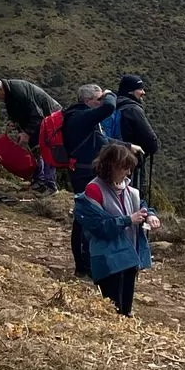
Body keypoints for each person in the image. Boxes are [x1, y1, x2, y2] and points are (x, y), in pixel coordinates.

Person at [74, 141, 159, 316]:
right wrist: (128, 220)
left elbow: (140, 205)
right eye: (124, 168)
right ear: (110, 166)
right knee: (113, 308)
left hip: (128, 256)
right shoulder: (94, 190)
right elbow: (99, 227)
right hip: (108, 259)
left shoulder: (129, 189)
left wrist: (150, 214)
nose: (128, 173)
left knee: (125, 309)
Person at [61, 83, 120, 277]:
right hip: (84, 173)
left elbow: (100, 140)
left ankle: (87, 265)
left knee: (86, 216)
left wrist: (128, 146)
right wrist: (110, 94)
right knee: (84, 218)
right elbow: (110, 107)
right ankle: (83, 267)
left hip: (84, 171)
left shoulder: (82, 117)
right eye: (98, 99)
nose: (102, 101)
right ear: (87, 101)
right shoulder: (81, 116)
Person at [0, 76, 61, 191]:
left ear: (0, 89)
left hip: (50, 118)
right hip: (37, 120)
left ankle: (50, 185)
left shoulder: (19, 92)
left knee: (46, 150)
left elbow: (37, 115)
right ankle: (39, 181)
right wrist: (12, 122)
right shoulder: (8, 93)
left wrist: (27, 134)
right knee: (35, 149)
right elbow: (13, 111)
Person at [111, 75, 160, 194]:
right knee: (132, 195)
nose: (143, 92)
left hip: (111, 158)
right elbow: (151, 142)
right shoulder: (133, 109)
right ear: (130, 91)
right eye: (140, 89)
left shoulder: (113, 105)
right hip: (130, 163)